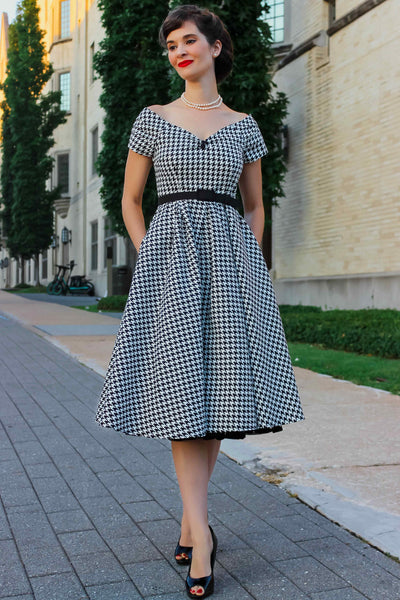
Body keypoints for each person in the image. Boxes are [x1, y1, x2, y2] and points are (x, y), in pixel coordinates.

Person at [95, 4, 305, 598]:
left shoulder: (244, 125)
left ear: (216, 47)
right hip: (171, 265)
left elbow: (258, 203)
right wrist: (151, 253)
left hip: (232, 265)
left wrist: (251, 259)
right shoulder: (152, 119)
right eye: (170, 46)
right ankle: (203, 535)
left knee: (216, 394)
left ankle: (192, 522)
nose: (178, 52)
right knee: (183, 391)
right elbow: (132, 200)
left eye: (189, 41)